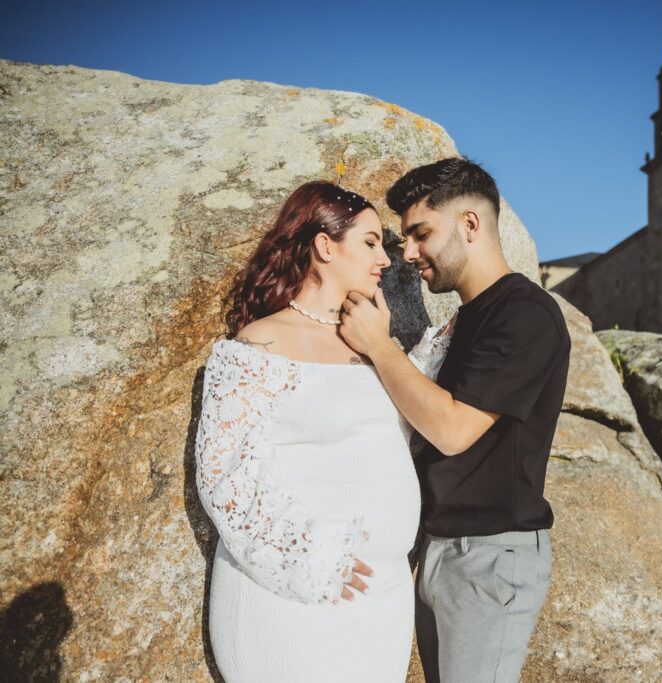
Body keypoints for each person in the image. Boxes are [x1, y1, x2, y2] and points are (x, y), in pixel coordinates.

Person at [195, 181, 445, 681]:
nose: (387, 260)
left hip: (383, 601)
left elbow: (395, 434)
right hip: (293, 600)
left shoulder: (373, 341)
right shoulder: (259, 344)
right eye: (371, 242)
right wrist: (315, 556)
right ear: (325, 246)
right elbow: (225, 479)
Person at [338, 158, 571, 683]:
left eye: (421, 234)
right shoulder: (465, 319)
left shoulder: (526, 313)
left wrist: (378, 344)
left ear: (470, 224)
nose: (410, 254)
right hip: (442, 550)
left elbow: (451, 429)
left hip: (491, 555)